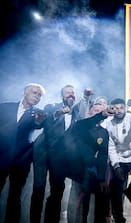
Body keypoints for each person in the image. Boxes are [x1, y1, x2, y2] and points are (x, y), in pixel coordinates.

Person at [47, 103, 111, 223]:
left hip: (82, 169)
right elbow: (89, 122)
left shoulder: (103, 133)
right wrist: (101, 114)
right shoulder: (80, 125)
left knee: (94, 194)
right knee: (56, 195)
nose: (98, 113)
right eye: (95, 111)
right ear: (89, 113)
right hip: (63, 164)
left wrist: (102, 178)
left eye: (101, 111)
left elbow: (103, 155)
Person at [0, 83, 46, 223]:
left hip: (21, 161)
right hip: (1, 157)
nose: (37, 96)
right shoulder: (4, 107)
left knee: (15, 197)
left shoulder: (38, 113)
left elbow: (39, 124)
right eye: (35, 93)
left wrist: (39, 120)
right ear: (25, 92)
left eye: (40, 95)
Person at [40, 84, 79, 223]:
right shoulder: (52, 107)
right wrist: (59, 113)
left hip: (71, 158)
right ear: (62, 96)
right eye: (67, 93)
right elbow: (45, 121)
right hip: (54, 156)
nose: (71, 95)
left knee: (69, 190)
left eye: (73, 93)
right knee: (56, 191)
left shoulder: (76, 112)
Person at [104, 98, 131, 223]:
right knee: (116, 191)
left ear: (125, 108)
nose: (118, 110)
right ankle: (118, 218)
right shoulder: (108, 123)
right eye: (115, 108)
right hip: (120, 159)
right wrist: (116, 165)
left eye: (121, 107)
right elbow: (110, 147)